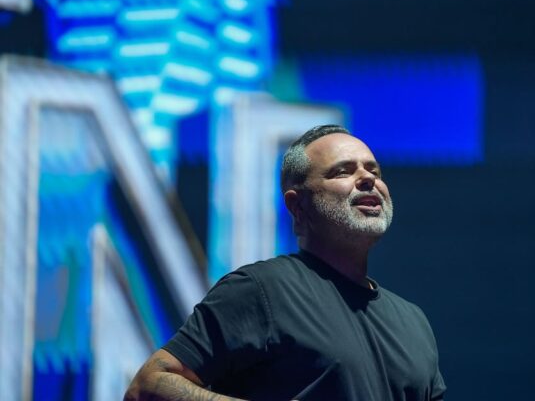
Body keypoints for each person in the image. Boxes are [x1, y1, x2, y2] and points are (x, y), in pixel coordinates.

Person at [124, 125, 446, 400]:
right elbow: (148, 386)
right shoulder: (262, 290)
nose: (367, 179)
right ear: (298, 206)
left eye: (374, 171)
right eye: (343, 171)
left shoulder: (413, 322)